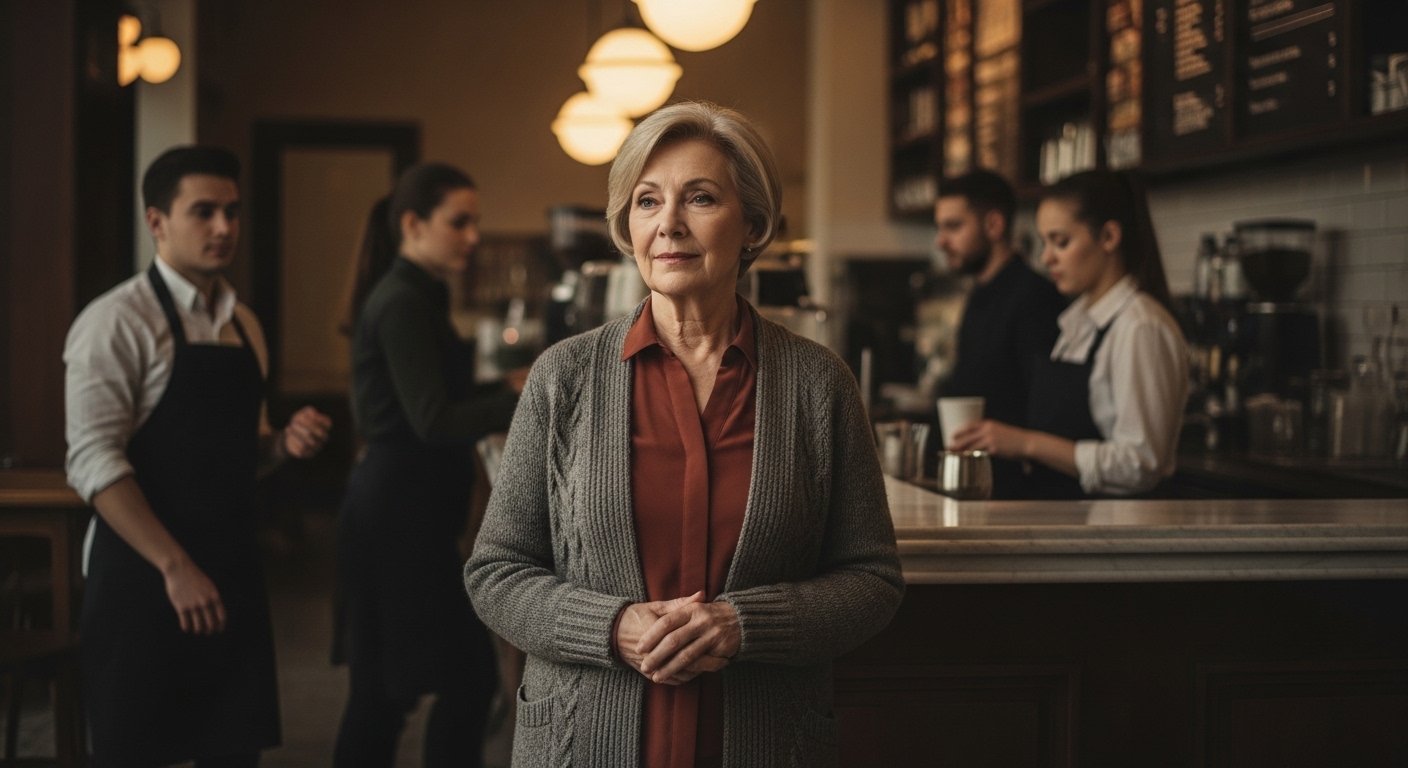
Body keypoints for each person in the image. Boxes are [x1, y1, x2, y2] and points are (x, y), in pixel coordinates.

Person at [465, 101, 905, 767]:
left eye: (700, 198)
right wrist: (611, 627)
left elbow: (872, 580)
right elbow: (496, 572)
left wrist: (742, 625)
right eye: (647, 201)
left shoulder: (820, 385)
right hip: (584, 748)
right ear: (628, 225)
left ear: (753, 222)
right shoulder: (564, 378)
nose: (668, 224)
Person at [63, 145, 332, 767]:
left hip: (231, 569)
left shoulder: (245, 325)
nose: (224, 228)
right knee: (139, 751)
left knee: (232, 749)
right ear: (156, 221)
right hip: (142, 577)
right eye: (204, 212)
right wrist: (173, 566)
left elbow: (243, 450)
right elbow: (94, 463)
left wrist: (281, 444)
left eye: (232, 212)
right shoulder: (114, 323)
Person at [333, 163, 524, 768]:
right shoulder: (401, 302)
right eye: (458, 222)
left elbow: (443, 395)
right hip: (396, 520)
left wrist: (505, 385)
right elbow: (434, 418)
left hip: (410, 516)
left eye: (475, 222)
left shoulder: (418, 294)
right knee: (402, 693)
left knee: (411, 689)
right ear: (413, 224)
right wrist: (521, 396)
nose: (472, 237)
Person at [950, 169, 1189, 497]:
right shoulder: (1077, 324)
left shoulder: (1140, 326)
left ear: (1108, 237)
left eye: (1061, 242)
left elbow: (1140, 464)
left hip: (1114, 535)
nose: (1047, 257)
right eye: (1044, 242)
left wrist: (1026, 444)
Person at [933, 169, 1066, 498]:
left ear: (994, 225)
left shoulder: (1034, 297)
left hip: (1018, 495)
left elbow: (1046, 411)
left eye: (953, 226)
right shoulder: (979, 294)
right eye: (940, 227)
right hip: (977, 484)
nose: (941, 241)